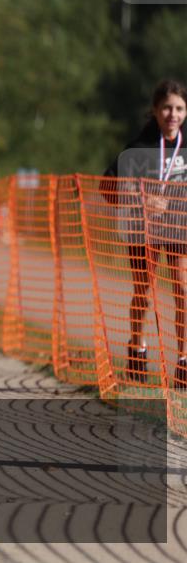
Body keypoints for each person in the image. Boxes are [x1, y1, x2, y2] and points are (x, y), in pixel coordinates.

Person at [103, 79, 187, 388]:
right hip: (144, 230)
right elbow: (107, 187)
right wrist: (141, 199)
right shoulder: (139, 148)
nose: (172, 115)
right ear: (154, 111)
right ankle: (137, 350)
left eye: (179, 108)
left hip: (179, 227)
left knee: (183, 288)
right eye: (166, 107)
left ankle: (184, 361)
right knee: (144, 290)